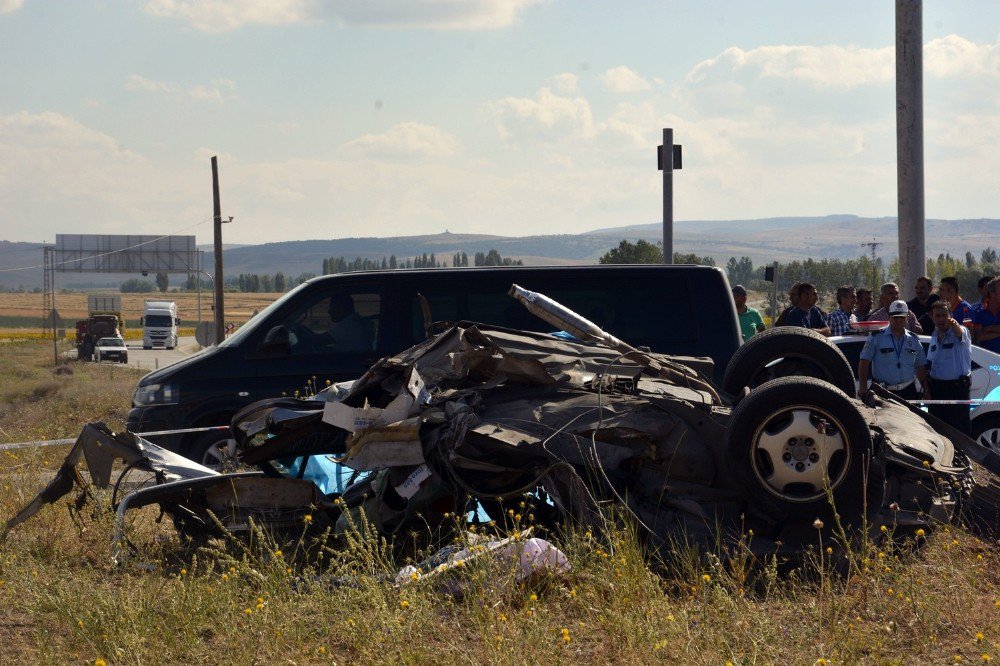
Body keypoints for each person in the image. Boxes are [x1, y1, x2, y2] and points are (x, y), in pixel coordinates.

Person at [857, 300, 927, 401]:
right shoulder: (876, 337)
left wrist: (922, 388)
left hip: (908, 391)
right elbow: (864, 362)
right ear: (889, 317)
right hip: (883, 392)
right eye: (895, 317)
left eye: (902, 317)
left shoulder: (914, 339)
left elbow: (921, 366)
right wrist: (863, 387)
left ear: (907, 318)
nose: (898, 320)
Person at [926, 300, 973, 436]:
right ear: (932, 317)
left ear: (950, 315)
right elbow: (930, 364)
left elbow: (959, 332)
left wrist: (954, 324)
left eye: (944, 315)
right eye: (937, 315)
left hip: (956, 389)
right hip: (938, 389)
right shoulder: (934, 336)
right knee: (937, 431)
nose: (941, 319)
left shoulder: (960, 331)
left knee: (959, 432)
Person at [972, 277, 1000, 354]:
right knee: (994, 367)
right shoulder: (979, 313)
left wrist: (989, 328)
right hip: (987, 362)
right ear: (992, 294)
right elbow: (979, 337)